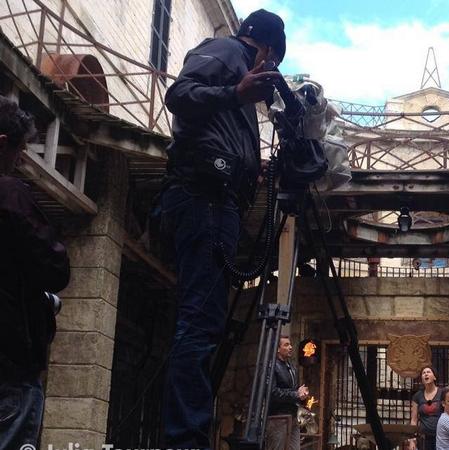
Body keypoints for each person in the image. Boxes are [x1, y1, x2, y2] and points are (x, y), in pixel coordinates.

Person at [160, 9, 286, 449]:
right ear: (266, 52)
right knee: (199, 323)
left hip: (218, 200)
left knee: (204, 323)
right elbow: (179, 95)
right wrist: (236, 91)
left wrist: (252, 167)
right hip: (205, 199)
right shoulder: (229, 51)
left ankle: (187, 435)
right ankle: (185, 441)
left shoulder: (235, 74)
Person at [0, 95, 70, 449]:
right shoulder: (9, 195)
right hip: (10, 367)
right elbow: (55, 268)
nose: (20, 160)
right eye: (19, 150)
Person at [266, 336, 309, 450]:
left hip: (293, 416)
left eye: (290, 344)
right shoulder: (271, 366)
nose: (290, 347)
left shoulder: (291, 367)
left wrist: (302, 395)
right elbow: (272, 392)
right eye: (286, 345)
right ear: (277, 349)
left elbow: (294, 390)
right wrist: (296, 394)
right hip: (278, 417)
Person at [409, 366, 444, 450]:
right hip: (424, 438)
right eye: (423, 373)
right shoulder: (417, 396)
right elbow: (414, 420)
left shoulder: (442, 393)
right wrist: (412, 440)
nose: (426, 374)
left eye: (428, 372)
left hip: (441, 436)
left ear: (434, 377)